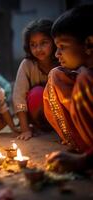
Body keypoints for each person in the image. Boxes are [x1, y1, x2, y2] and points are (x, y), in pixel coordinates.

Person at [44, 4, 93, 172]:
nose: (57, 54)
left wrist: (84, 162)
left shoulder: (87, 80)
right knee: (56, 75)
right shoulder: (84, 74)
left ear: (88, 44)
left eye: (62, 47)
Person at [13, 19, 58, 140]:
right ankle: (40, 127)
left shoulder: (62, 61)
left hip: (60, 116)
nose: (38, 49)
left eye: (44, 43)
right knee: (37, 93)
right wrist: (25, 129)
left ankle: (63, 129)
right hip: (37, 116)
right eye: (33, 45)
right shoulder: (27, 64)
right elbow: (19, 97)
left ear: (54, 42)